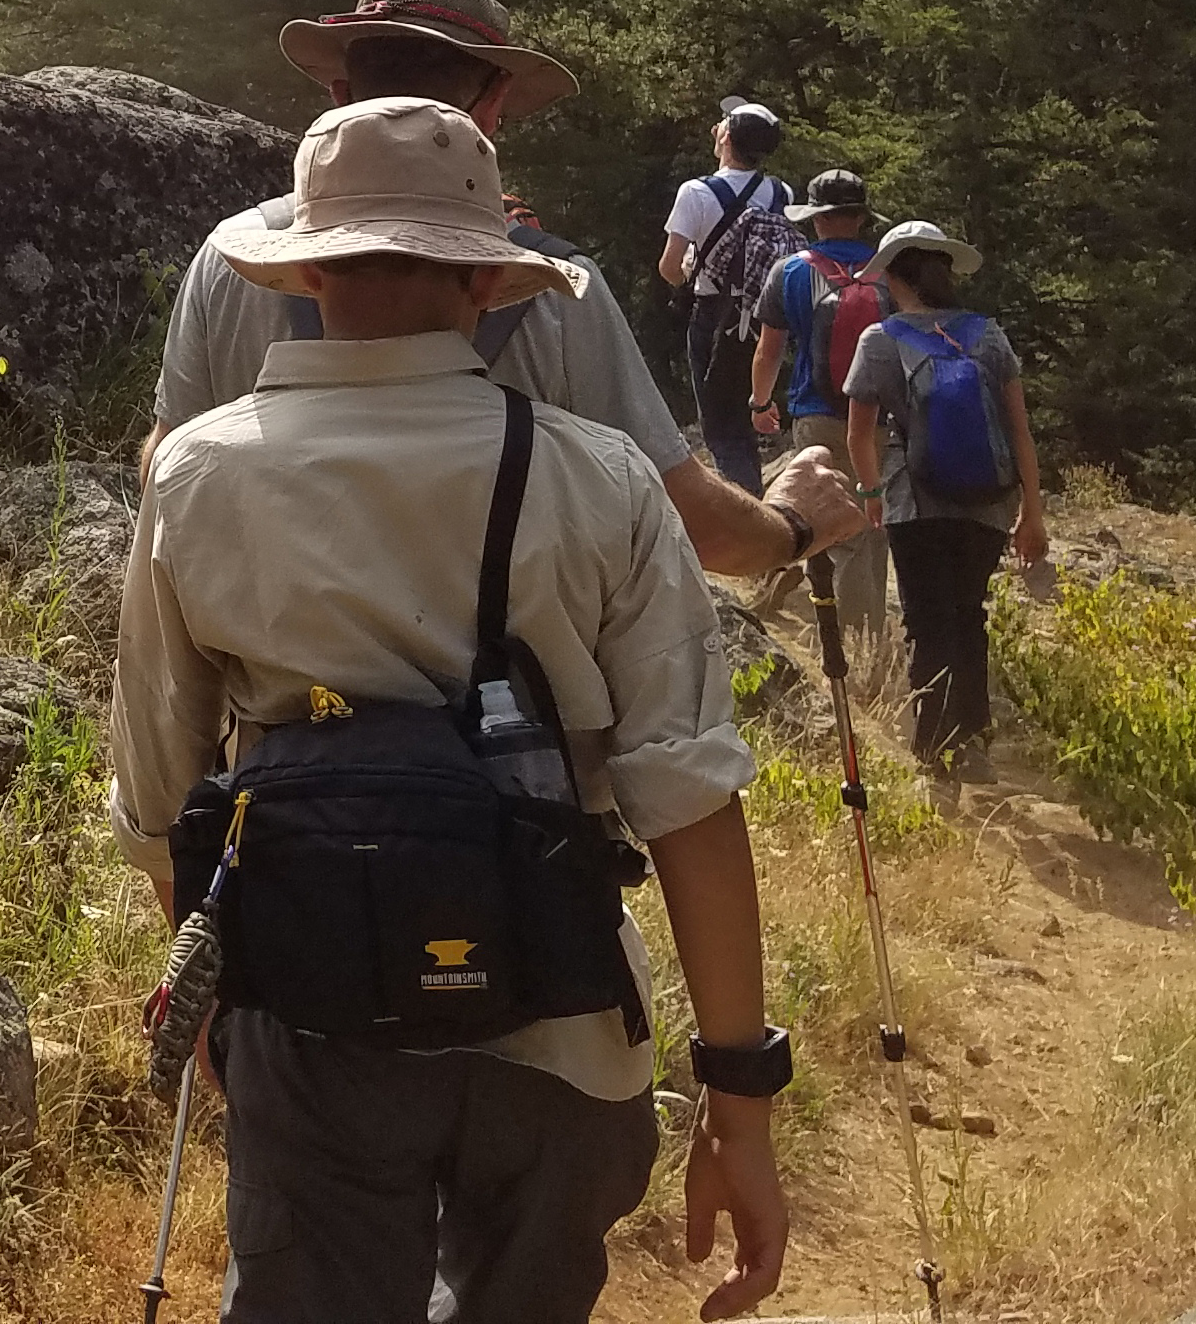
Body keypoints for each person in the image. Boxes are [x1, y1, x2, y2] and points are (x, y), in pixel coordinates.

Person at [115, 97, 793, 1324]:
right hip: (562, 1028)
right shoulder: (601, 479)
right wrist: (737, 1100)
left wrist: (223, 988)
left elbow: (162, 800)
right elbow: (690, 802)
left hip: (315, 1028)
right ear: (489, 279)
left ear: (306, 264)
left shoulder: (200, 474)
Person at [154, 0, 866, 583]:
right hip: (498, 725)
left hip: (275, 720)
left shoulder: (232, 257)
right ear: (493, 103)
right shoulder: (558, 287)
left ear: (340, 90)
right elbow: (684, 524)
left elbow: (170, 484)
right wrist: (791, 525)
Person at [840, 222, 1049, 775]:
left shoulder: (881, 340)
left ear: (895, 278)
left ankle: (933, 748)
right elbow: (1019, 430)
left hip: (915, 502)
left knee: (925, 621)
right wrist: (1032, 512)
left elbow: (859, 432)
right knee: (967, 616)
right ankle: (975, 742)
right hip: (988, 504)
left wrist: (870, 490)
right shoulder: (989, 335)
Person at [744, 171, 892, 640]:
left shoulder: (790, 270)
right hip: (881, 418)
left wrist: (760, 402)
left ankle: (848, 643)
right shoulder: (890, 272)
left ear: (815, 219)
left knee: (829, 523)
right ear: (863, 217)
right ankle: (867, 634)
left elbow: (769, 350)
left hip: (817, 412)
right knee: (873, 528)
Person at [657, 101, 792, 492]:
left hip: (714, 317)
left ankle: (748, 532)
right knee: (747, 420)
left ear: (727, 136)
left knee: (723, 432)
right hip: (767, 318)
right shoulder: (782, 193)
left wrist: (687, 270)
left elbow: (669, 268)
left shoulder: (696, 192)